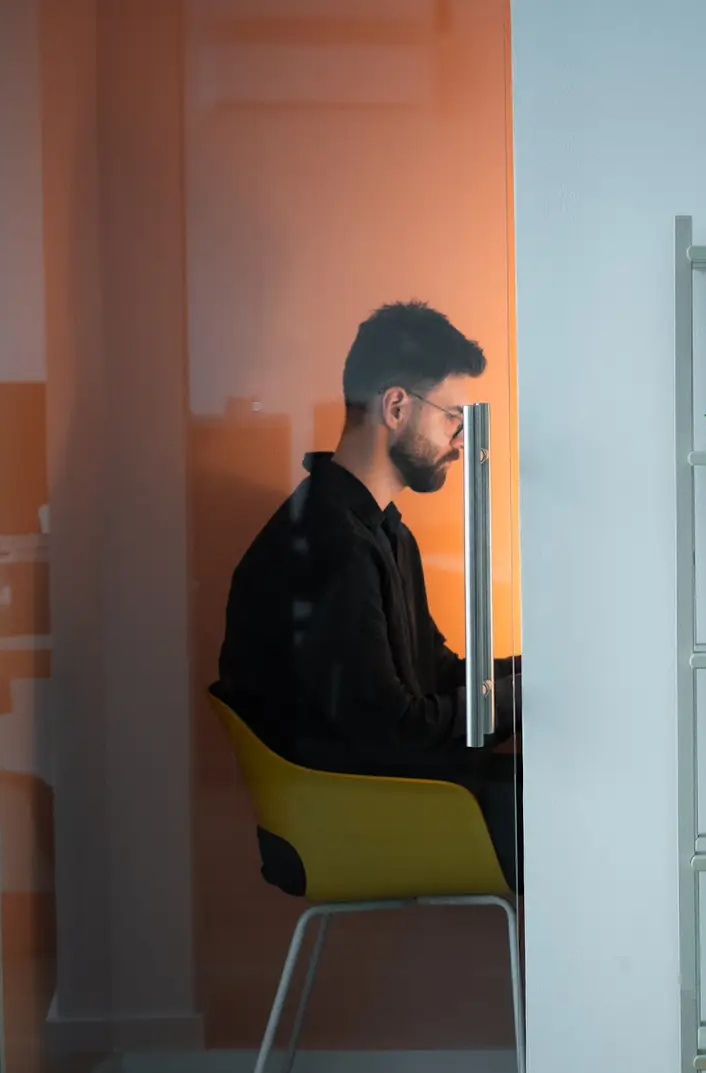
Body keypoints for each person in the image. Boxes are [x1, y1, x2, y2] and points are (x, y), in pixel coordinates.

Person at [215, 300, 523, 893]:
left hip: (388, 794)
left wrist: (536, 679)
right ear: (397, 406)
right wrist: (525, 699)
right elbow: (397, 732)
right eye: (453, 419)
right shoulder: (330, 544)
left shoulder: (379, 531)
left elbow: (434, 675)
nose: (461, 442)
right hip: (358, 815)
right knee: (586, 812)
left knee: (581, 797)